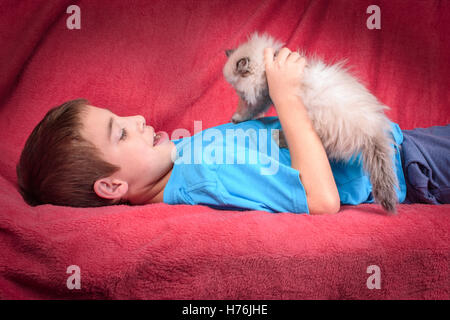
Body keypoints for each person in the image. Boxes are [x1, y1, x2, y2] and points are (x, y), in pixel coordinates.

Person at [16, 48, 450, 214]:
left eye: (122, 118)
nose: (137, 120)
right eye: (121, 134)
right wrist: (287, 98)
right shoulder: (205, 176)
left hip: (397, 145)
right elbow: (321, 200)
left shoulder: (182, 160)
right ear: (111, 185)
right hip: (405, 165)